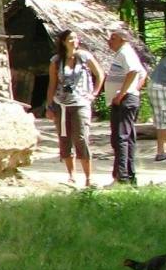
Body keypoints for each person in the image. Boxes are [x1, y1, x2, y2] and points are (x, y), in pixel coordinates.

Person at [47, 29, 105, 189]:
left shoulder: (85, 57)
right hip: (61, 104)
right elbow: (52, 84)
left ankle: (88, 177)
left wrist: (93, 94)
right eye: (70, 38)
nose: (74, 41)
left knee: (80, 138)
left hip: (80, 103)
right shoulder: (57, 61)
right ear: (63, 42)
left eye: (75, 38)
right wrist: (49, 105)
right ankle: (71, 176)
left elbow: (99, 74)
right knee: (64, 139)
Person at [103, 22, 147, 185]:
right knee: (124, 137)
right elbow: (143, 73)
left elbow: (134, 71)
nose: (109, 41)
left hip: (124, 100)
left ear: (121, 39)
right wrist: (133, 88)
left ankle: (122, 177)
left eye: (113, 38)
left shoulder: (125, 52)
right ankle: (127, 175)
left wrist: (123, 93)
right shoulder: (123, 53)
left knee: (121, 137)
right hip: (126, 98)